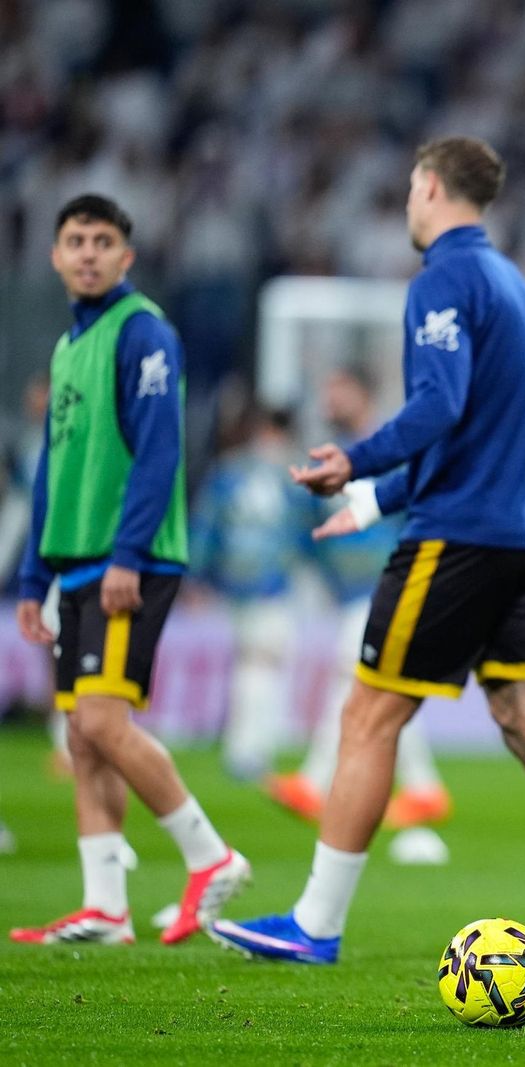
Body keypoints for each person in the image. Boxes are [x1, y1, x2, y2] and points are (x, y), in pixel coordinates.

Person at [210, 137, 525, 970]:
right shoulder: (513, 285)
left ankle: (314, 920)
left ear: (425, 187)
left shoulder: (443, 281)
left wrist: (357, 459)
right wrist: (374, 499)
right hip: (523, 535)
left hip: (459, 537)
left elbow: (439, 406)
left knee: (369, 713)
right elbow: (487, 425)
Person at [9, 194, 251, 947]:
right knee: (82, 736)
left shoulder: (142, 332)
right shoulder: (66, 346)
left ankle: (210, 856)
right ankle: (106, 906)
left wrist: (126, 556)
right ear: (55, 255)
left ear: (126, 255)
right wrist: (30, 576)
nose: (86, 252)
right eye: (74, 239)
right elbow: (53, 468)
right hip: (75, 564)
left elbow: (160, 451)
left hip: (128, 560)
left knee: (102, 722)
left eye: (101, 240)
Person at [265, 363, 452, 830]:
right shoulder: (332, 457)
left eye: (339, 390)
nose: (329, 402)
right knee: (381, 687)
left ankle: (314, 782)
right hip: (351, 593)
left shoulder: (391, 448)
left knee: (356, 678)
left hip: (393, 581)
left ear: (362, 393)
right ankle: (424, 788)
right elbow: (307, 530)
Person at [188, 404, 313, 780]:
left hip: (237, 582)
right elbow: (309, 530)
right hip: (272, 584)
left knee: (255, 661)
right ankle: (247, 749)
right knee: (262, 662)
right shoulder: (293, 475)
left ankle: (255, 743)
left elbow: (205, 525)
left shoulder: (229, 471)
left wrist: (197, 573)